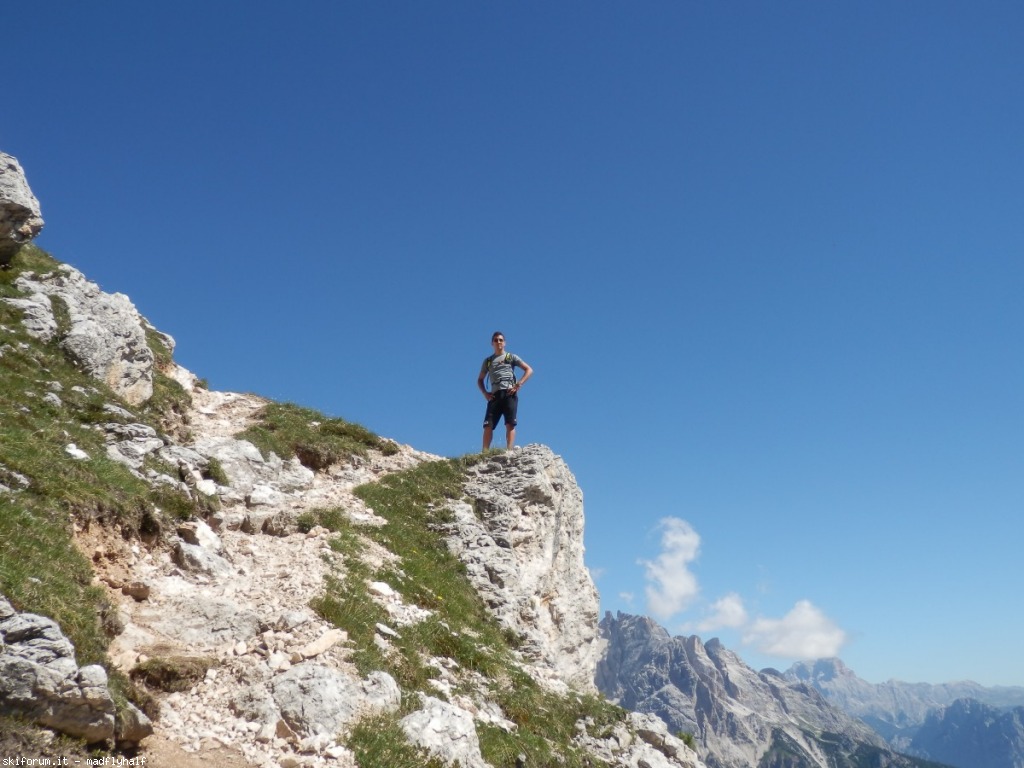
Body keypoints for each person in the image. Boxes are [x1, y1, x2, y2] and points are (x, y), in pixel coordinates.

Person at [477, 331, 533, 450]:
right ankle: (484, 452)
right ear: (492, 343)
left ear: (505, 342)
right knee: (488, 425)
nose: (498, 342)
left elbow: (529, 370)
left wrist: (519, 384)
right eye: (496, 340)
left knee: (510, 423)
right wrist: (485, 393)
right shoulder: (488, 361)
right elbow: (480, 379)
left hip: (509, 393)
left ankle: (509, 451)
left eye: (501, 340)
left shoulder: (511, 357)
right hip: (494, 395)